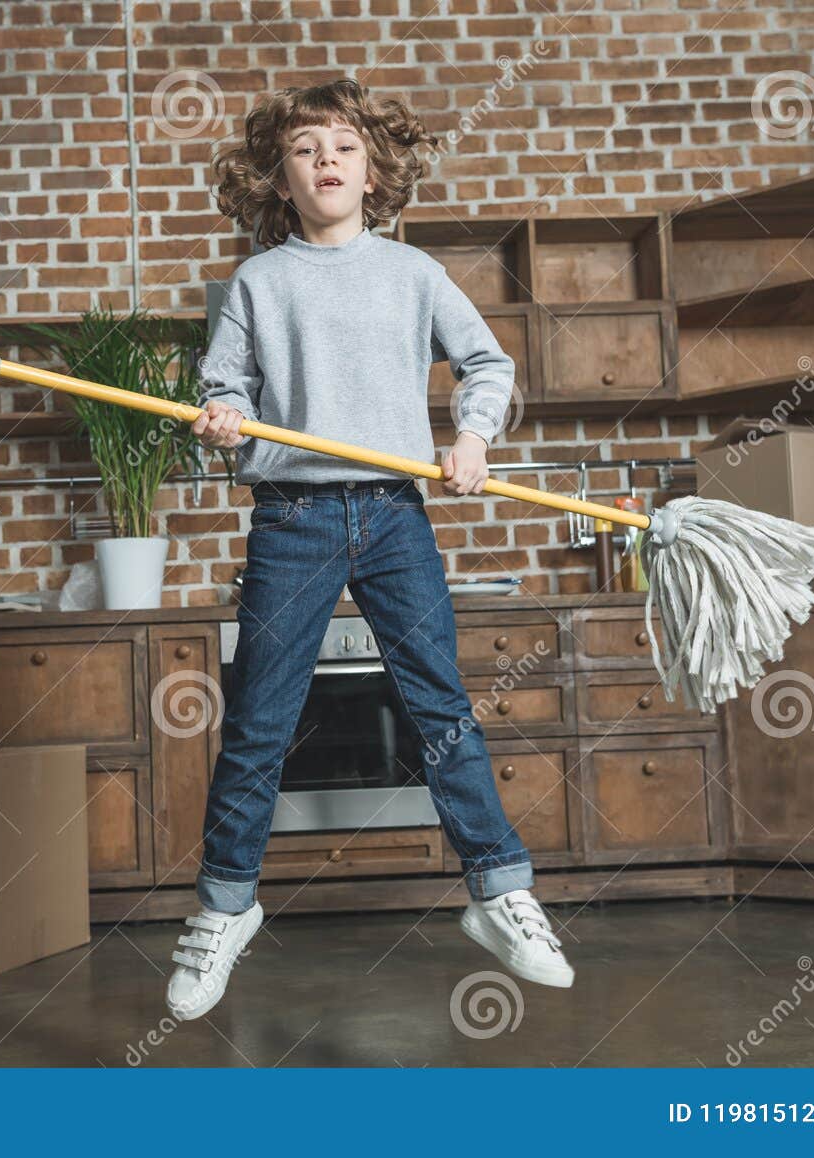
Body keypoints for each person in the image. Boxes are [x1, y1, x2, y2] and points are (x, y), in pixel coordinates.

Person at [166, 78, 574, 1023]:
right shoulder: (256, 283)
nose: (327, 162)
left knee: (441, 706)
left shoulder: (413, 274)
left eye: (344, 146)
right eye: (307, 148)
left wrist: (471, 440)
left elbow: (487, 364)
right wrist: (222, 422)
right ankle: (226, 908)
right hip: (292, 521)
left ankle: (499, 892)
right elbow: (220, 396)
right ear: (282, 173)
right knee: (260, 720)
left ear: (374, 167)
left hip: (394, 515)